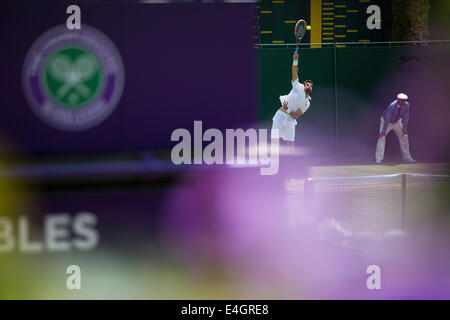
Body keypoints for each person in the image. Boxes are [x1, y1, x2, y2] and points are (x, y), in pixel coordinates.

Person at [271, 52, 313, 151]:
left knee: (290, 145)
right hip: (280, 115)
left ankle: (290, 164)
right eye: (308, 84)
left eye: (311, 86)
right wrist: (295, 60)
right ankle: (273, 163)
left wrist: (288, 110)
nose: (309, 86)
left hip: (290, 120)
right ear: (304, 85)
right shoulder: (298, 86)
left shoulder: (307, 103)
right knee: (274, 141)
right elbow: (294, 73)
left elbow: (295, 116)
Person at [375, 93, 416, 164]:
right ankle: (378, 158)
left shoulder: (407, 105)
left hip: (397, 122)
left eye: (405, 100)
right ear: (398, 100)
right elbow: (387, 118)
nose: (404, 102)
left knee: (404, 136)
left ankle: (407, 158)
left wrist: (404, 129)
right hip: (386, 121)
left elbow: (406, 117)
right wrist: (384, 130)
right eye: (402, 100)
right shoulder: (391, 106)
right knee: (381, 137)